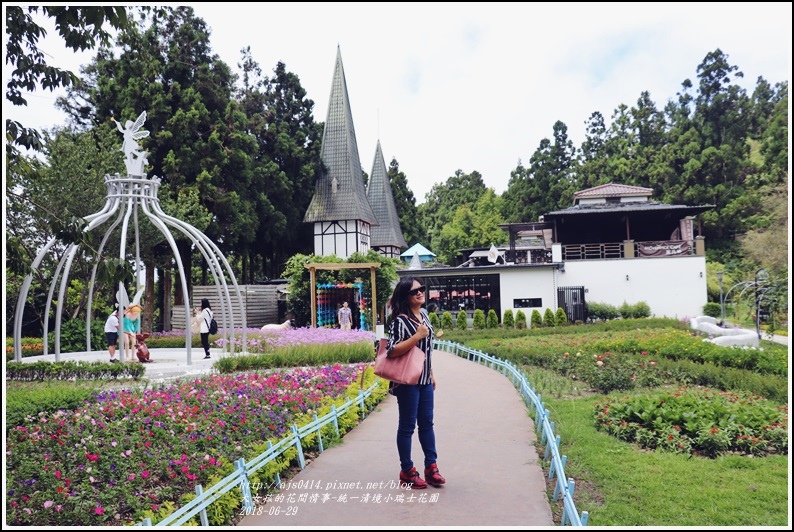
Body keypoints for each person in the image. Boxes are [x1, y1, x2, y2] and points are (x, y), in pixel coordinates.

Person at [385, 277, 445, 490]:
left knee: (427, 424)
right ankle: (407, 470)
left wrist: (431, 372)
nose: (420, 293)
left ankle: (431, 467)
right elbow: (392, 350)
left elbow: (426, 350)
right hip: (407, 382)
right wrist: (416, 336)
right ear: (405, 296)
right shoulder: (400, 321)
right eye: (414, 291)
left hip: (425, 380)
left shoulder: (425, 315)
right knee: (408, 426)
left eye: (421, 289)